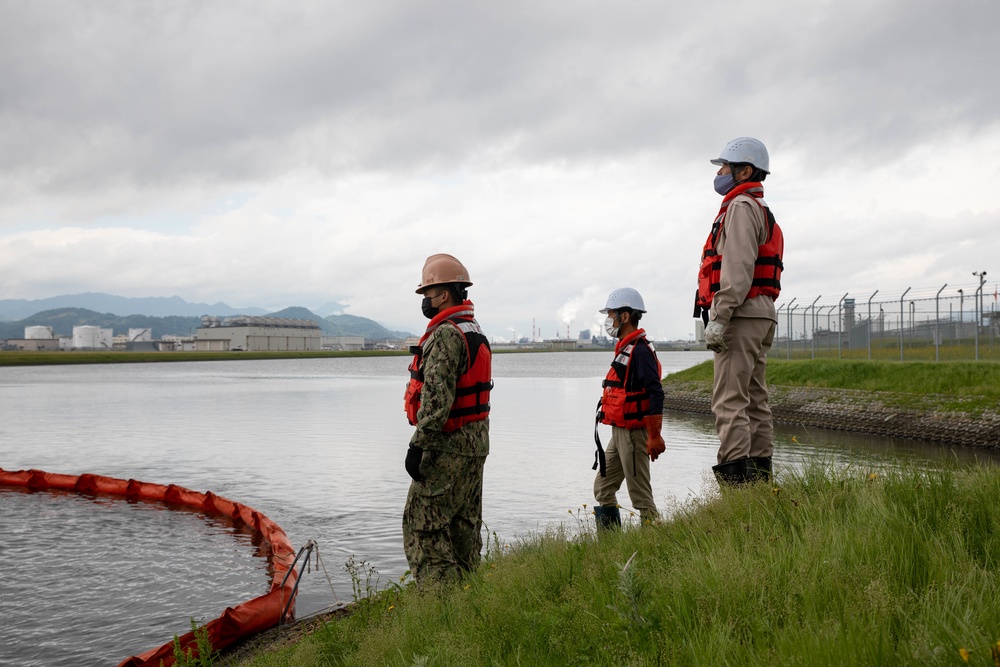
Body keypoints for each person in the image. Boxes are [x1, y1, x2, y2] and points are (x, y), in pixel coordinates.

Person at [693, 137, 784, 485]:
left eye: (724, 167)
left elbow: (738, 268)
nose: (719, 173)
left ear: (744, 171)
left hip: (741, 312)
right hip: (761, 311)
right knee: (755, 400)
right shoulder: (760, 209)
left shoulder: (741, 208)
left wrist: (720, 317)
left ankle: (738, 494)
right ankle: (761, 485)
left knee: (729, 402)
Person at [402, 253, 492, 588]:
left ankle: (439, 605)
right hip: (476, 444)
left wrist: (417, 446)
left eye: (428, 293)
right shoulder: (473, 329)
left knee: (422, 525)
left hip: (448, 447)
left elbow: (436, 402)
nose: (425, 300)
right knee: (464, 524)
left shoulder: (445, 334)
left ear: (444, 294)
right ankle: (470, 595)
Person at [593, 287, 665, 529]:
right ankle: (610, 548)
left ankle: (656, 545)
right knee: (603, 488)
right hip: (619, 432)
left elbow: (655, 391)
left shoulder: (641, 350)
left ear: (625, 316)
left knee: (641, 497)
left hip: (634, 434)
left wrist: (654, 435)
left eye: (611, 315)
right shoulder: (626, 347)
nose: (608, 321)